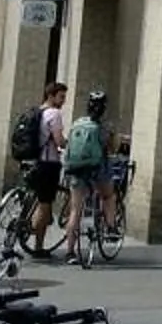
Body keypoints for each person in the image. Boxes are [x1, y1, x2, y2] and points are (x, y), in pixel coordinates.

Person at [59, 91, 110, 264]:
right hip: (96, 169)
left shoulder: (77, 124)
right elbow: (110, 147)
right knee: (108, 195)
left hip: (76, 169)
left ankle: (70, 252)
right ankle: (110, 227)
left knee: (75, 210)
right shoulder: (102, 128)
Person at [24, 82, 68, 258]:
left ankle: (26, 225)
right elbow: (58, 141)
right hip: (48, 163)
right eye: (61, 97)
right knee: (45, 204)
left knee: (40, 200)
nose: (63, 101)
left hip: (33, 161)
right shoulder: (54, 114)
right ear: (51, 96)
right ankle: (38, 246)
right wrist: (68, 144)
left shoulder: (38, 112)